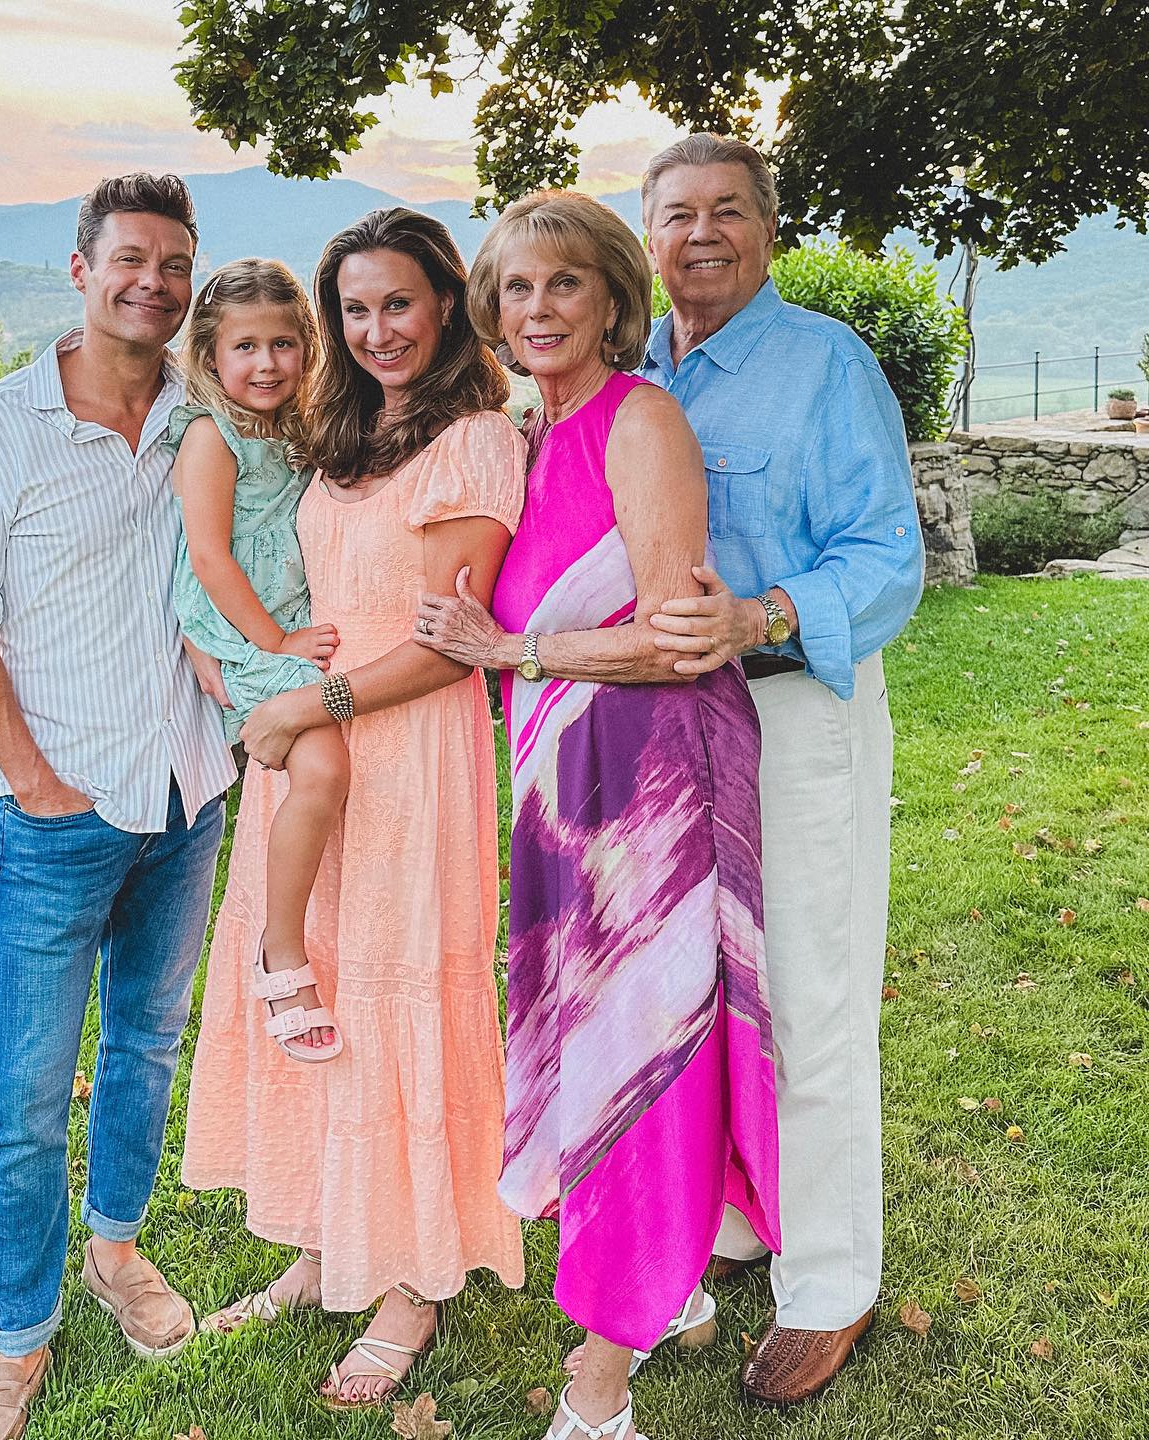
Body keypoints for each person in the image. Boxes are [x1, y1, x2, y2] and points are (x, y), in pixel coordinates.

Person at [416, 189, 779, 1440]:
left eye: (563, 283)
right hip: (562, 795)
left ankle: (599, 1383)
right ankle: (666, 1286)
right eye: (515, 290)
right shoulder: (526, 436)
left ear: (615, 298)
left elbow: (677, 642)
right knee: (599, 1044)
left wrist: (509, 648)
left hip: (647, 790)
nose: (537, 309)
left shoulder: (641, 419)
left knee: (644, 1051)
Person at [180, 207, 526, 1405]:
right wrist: (255, 677)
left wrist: (311, 701)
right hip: (310, 735)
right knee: (309, 980)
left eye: (398, 303)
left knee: (392, 989)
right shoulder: (338, 430)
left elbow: (451, 646)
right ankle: (325, 1243)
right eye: (355, 308)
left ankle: (408, 1282)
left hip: (400, 738)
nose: (375, 329)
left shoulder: (475, 439)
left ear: (445, 306)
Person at [0, 173, 237, 1440]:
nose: (151, 282)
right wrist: (34, 781)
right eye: (130, 260)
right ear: (79, 267)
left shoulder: (203, 422)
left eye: (174, 264)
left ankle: (116, 1251)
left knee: (148, 1049)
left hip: (189, 794)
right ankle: (18, 1337)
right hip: (57, 816)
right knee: (30, 1092)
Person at [637, 133, 924, 1406]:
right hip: (666, 737)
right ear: (643, 235)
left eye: (729, 212)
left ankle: (830, 1284)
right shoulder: (632, 368)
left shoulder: (824, 364)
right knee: (703, 995)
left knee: (810, 997)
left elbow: (888, 557)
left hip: (794, 711)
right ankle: (737, 1223)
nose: (702, 234)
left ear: (769, 228)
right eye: (676, 214)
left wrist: (765, 617)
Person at [167, 257, 347, 1062]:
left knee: (330, 770)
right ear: (210, 357)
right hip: (247, 632)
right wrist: (273, 644)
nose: (266, 363)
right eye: (244, 347)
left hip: (293, 621)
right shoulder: (213, 436)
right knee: (323, 771)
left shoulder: (298, 429)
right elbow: (209, 557)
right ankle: (281, 948)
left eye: (283, 344)